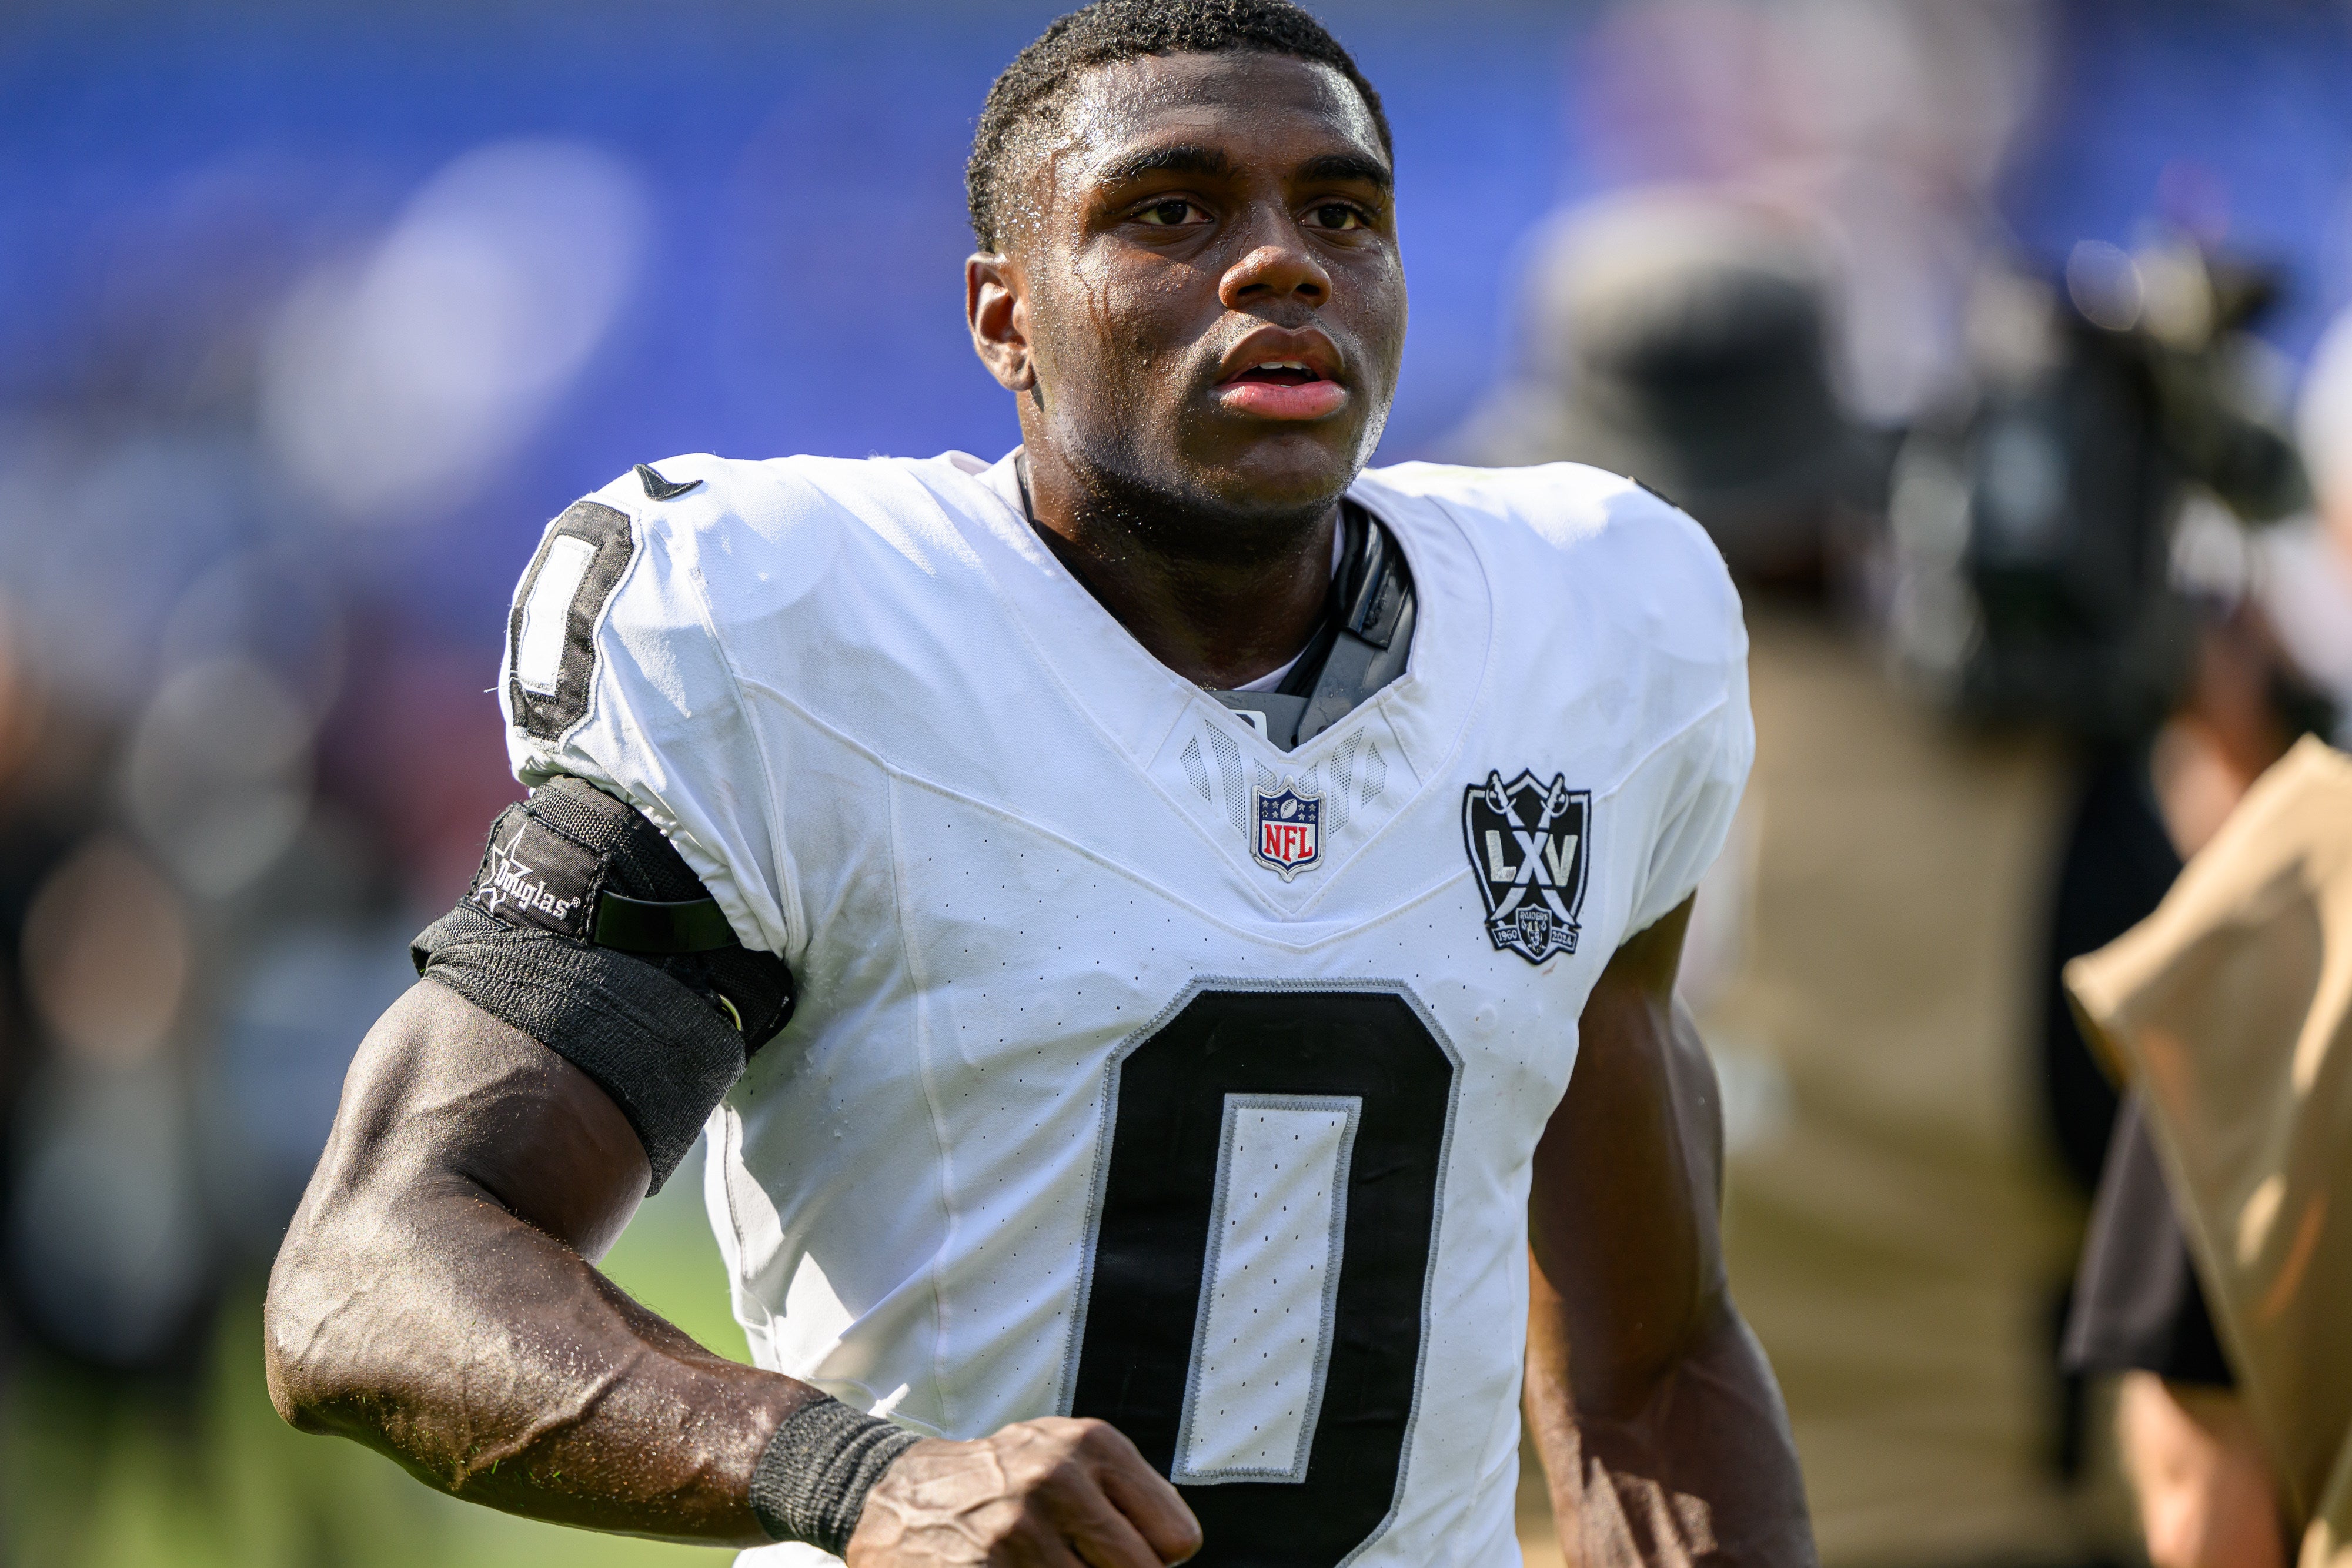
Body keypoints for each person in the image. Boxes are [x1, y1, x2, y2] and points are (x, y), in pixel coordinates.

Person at [262, 5, 1815, 1564]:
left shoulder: (1590, 628)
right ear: (1003, 318)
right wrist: (858, 1477)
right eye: (1171, 210)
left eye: (1341, 212)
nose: (1283, 262)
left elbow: (1650, 1363)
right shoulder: (803, 635)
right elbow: (369, 1271)